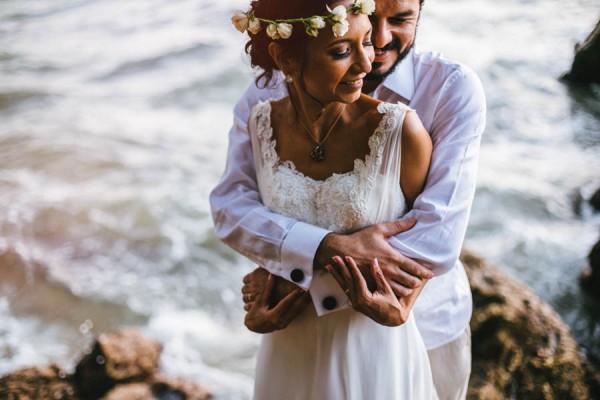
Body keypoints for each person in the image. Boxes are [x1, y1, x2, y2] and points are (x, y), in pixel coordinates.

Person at [210, 0, 486, 398]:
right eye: (370, 19)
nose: (379, 39)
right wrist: (320, 250)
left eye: (402, 19)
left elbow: (436, 240)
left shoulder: (449, 89)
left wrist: (290, 274)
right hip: (297, 334)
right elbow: (230, 207)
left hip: (426, 326)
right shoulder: (266, 97)